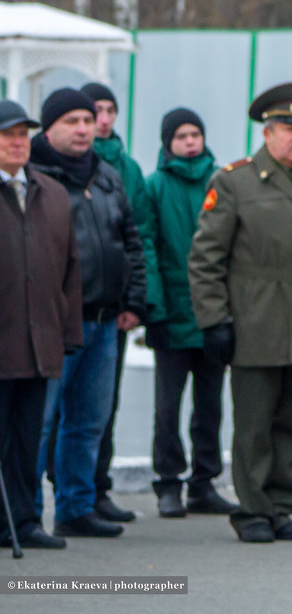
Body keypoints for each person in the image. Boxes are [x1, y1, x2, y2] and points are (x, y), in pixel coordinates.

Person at [188, 82, 292, 544]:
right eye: (287, 129)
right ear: (267, 132)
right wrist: (214, 320)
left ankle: (283, 507)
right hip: (254, 320)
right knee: (255, 422)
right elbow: (205, 259)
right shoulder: (235, 180)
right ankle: (253, 509)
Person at [30, 88, 146, 539]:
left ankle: (76, 507)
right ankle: (22, 513)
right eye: (73, 121)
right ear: (49, 127)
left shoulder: (106, 176)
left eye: (88, 119)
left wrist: (134, 301)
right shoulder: (37, 177)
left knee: (87, 421)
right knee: (40, 423)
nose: (85, 128)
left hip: (105, 320)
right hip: (57, 322)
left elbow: (130, 241)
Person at [142, 108, 238, 519]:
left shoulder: (223, 180)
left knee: (210, 407)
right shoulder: (154, 186)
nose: (190, 141)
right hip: (172, 315)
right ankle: (168, 483)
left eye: (194, 134)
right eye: (181, 135)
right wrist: (154, 310)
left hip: (213, 317)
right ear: (168, 143)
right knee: (167, 408)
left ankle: (203, 482)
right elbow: (147, 246)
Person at [0, 101, 80, 550]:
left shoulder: (51, 193)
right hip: (4, 338)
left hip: (39, 342)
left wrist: (66, 333)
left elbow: (69, 269)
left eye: (22, 134)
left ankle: (24, 520)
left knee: (28, 438)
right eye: (8, 134)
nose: (18, 142)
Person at [78, 82, 159, 525]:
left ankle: (95, 490)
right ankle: (58, 493)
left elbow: (138, 236)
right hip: (71, 310)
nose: (102, 119)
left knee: (101, 406)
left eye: (108, 110)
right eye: (93, 111)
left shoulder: (125, 169)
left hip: (112, 309)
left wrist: (136, 301)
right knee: (58, 411)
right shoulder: (57, 164)